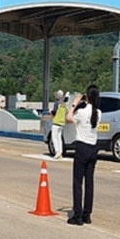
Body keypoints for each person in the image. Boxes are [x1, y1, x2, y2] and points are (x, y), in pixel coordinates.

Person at [66, 84, 101, 226]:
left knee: (77, 183)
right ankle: (87, 214)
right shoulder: (98, 113)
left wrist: (75, 103)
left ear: (87, 96)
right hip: (93, 149)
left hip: (82, 148)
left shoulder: (81, 112)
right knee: (89, 184)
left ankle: (78, 215)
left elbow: (68, 118)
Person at [50, 90, 67, 159]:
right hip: (62, 123)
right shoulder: (64, 104)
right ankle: (61, 152)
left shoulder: (56, 104)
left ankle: (57, 152)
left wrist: (50, 111)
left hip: (56, 122)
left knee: (54, 137)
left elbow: (54, 112)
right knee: (59, 138)